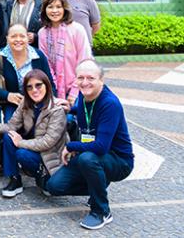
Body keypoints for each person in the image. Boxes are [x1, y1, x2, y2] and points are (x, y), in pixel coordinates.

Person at [46, 60, 134, 230]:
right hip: (94, 155)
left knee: (87, 159)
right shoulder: (83, 95)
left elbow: (101, 147)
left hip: (118, 160)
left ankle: (101, 211)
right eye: (81, 78)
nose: (85, 82)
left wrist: (71, 146)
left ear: (102, 80)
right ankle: (97, 185)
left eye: (91, 78)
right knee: (54, 186)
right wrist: (68, 108)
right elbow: (82, 111)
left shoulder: (109, 104)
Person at [0, 69, 68, 198]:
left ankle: (44, 174)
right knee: (9, 135)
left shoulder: (57, 110)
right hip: (33, 147)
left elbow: (47, 142)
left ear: (47, 85)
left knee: (22, 153)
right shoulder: (25, 103)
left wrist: (20, 143)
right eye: (29, 87)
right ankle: (15, 179)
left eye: (38, 85)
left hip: (50, 154)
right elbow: (11, 126)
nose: (34, 90)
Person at [0, 24, 55, 123]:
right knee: (9, 135)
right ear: (7, 38)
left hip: (38, 103)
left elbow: (49, 83)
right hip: (12, 105)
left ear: (27, 38)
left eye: (22, 36)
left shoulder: (38, 56)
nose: (18, 39)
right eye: (13, 36)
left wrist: (52, 101)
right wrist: (7, 95)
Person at [38, 0, 93, 105]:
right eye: (50, 7)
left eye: (58, 7)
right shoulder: (42, 33)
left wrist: (74, 92)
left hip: (80, 87)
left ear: (65, 9)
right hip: (55, 90)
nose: (54, 11)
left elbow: (85, 61)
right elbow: (46, 64)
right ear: (44, 10)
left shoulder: (77, 29)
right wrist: (54, 91)